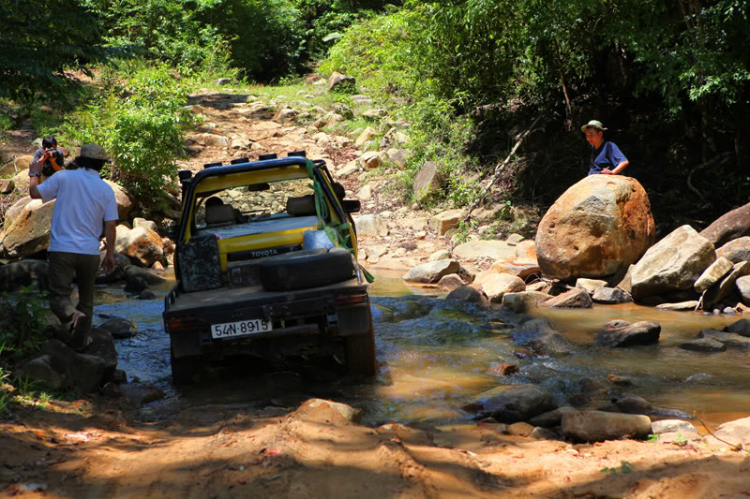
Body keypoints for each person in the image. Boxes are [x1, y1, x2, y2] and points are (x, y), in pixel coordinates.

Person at [28, 144, 119, 351]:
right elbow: (111, 225)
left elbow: (34, 193)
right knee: (87, 300)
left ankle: (72, 317)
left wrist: (34, 173)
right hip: (90, 252)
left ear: (79, 161)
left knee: (59, 297)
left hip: (62, 249)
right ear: (101, 165)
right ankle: (80, 342)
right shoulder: (106, 189)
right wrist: (110, 254)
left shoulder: (64, 178)